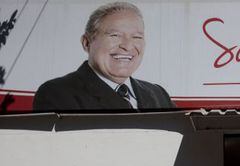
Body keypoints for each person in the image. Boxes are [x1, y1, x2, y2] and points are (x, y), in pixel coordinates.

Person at [33, 2, 175, 112]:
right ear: (86, 43)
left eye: (137, 37)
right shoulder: (57, 93)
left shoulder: (158, 94)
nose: (127, 46)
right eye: (115, 35)